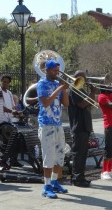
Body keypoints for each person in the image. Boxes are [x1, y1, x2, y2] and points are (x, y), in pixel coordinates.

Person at [37, 59, 69, 199]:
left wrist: (65, 90)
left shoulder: (58, 84)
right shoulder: (41, 84)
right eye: (55, 71)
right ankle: (47, 186)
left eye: (58, 71)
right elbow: (46, 102)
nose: (57, 73)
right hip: (46, 124)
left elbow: (66, 104)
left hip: (57, 124)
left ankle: (55, 181)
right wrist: (60, 88)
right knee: (48, 156)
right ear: (47, 71)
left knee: (60, 155)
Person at [68, 70, 95, 187]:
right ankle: (76, 178)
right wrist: (92, 92)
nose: (84, 80)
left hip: (85, 126)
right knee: (78, 154)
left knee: (83, 154)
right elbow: (82, 104)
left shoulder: (82, 90)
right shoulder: (73, 89)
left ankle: (81, 177)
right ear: (76, 78)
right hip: (78, 126)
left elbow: (92, 102)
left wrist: (92, 93)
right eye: (81, 78)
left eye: (84, 78)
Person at [0, 74, 22, 167]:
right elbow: (0, 107)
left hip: (10, 120)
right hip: (3, 120)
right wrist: (11, 111)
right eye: (3, 81)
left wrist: (16, 112)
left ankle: (14, 160)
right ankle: (4, 160)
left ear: (9, 83)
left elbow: (13, 106)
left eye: (7, 82)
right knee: (5, 143)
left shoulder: (9, 93)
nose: (5, 83)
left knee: (14, 140)